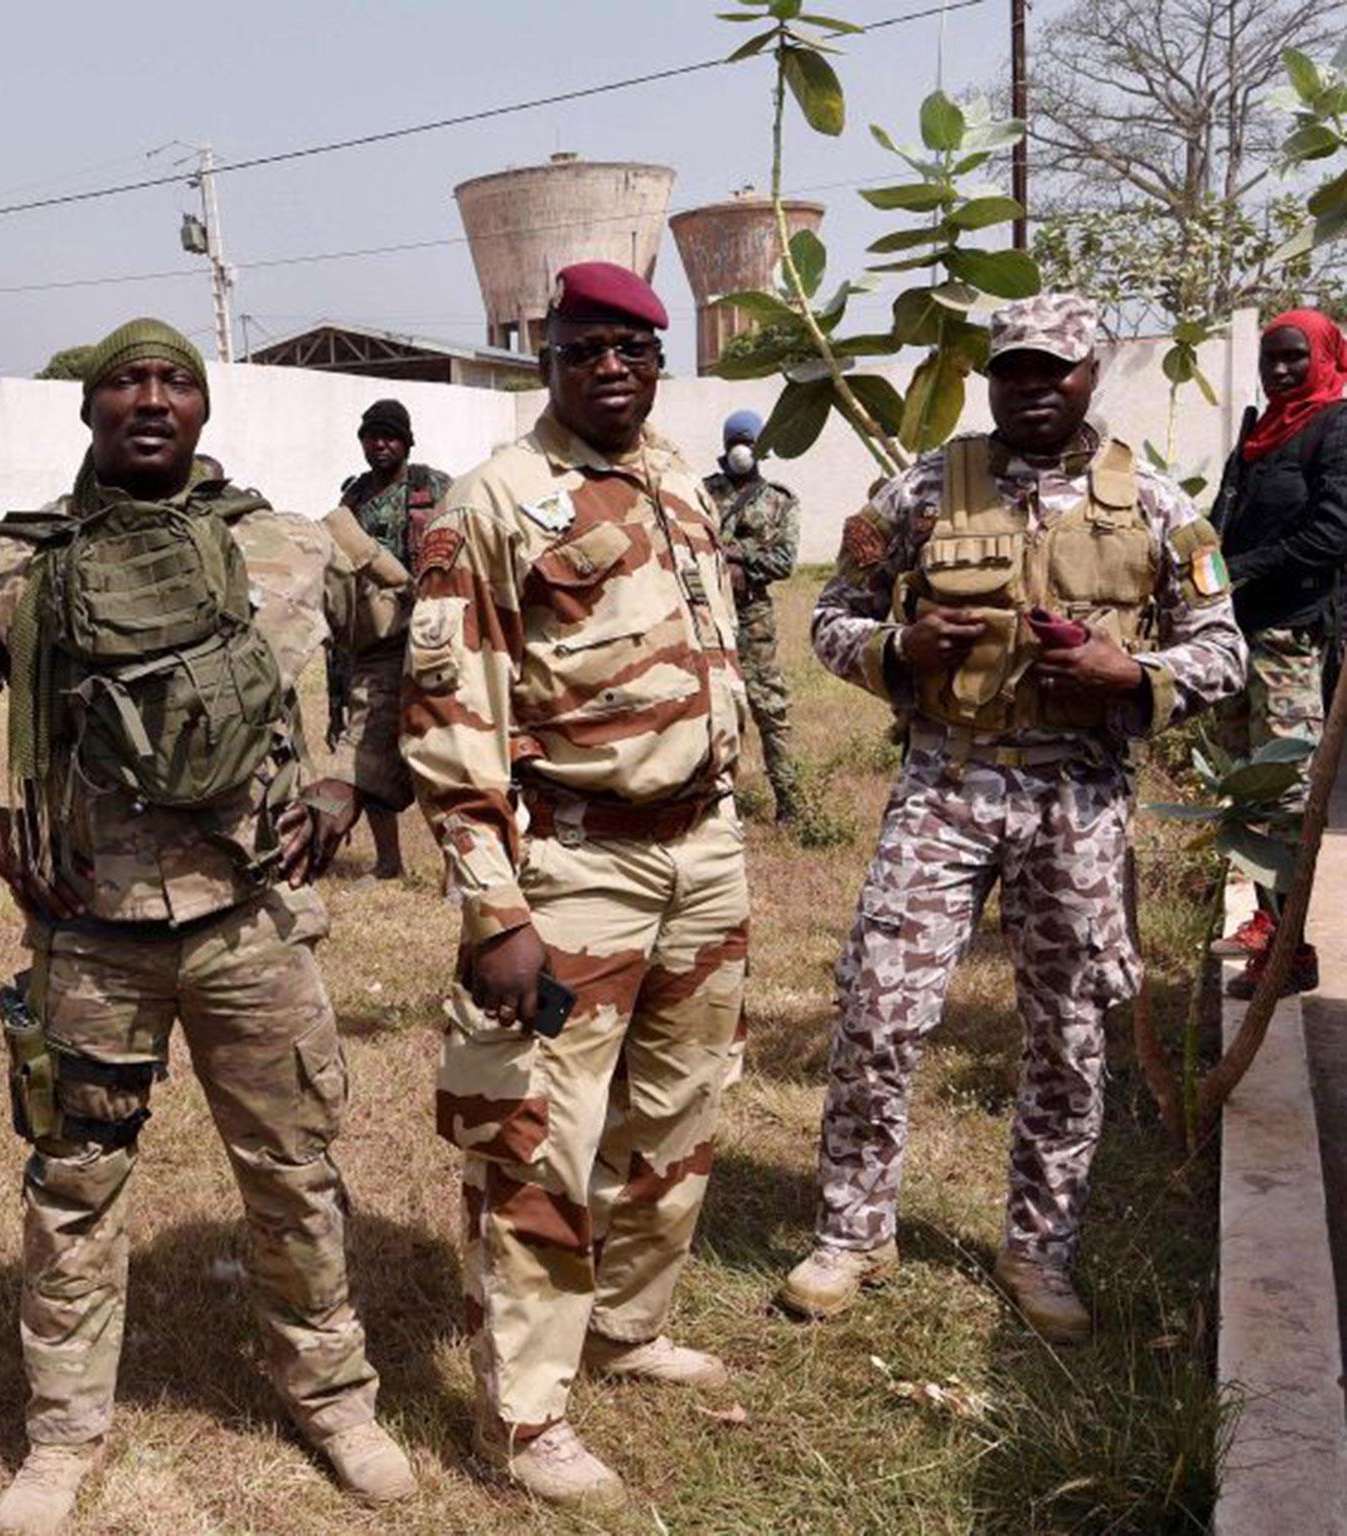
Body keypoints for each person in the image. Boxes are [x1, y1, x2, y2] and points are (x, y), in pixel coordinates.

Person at [0, 318, 416, 1536]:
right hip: (88, 935)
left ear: (202, 409)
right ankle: (61, 1435)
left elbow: (402, 647)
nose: (149, 400)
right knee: (74, 1183)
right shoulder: (10, 565)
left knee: (293, 1171)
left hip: (254, 924)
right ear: (88, 409)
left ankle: (333, 1399)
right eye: (123, 382)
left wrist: (347, 782)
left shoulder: (296, 541)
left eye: (173, 382)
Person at [779, 294, 1246, 1345]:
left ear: (1090, 376)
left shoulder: (1157, 509)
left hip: (1074, 799)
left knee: (1068, 1037)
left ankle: (1038, 1250)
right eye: (1013, 370)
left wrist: (1128, 670)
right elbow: (829, 615)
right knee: (877, 1011)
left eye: (1056, 369)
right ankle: (854, 1234)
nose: (1033, 387)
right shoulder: (919, 492)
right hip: (944, 783)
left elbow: (1224, 650)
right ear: (990, 379)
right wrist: (897, 651)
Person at [400, 262, 750, 1509]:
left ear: (659, 363)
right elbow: (450, 723)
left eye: (633, 349)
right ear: (544, 359)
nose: (611, 367)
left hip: (700, 852)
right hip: (574, 861)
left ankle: (627, 1325)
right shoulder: (490, 505)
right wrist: (495, 910)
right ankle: (531, 1408)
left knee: (677, 1108)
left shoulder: (674, 478)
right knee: (540, 1133)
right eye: (585, 348)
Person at [1207, 308, 1347, 996]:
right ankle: (1266, 921)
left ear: (1324, 356)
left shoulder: (1336, 427)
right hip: (1235, 637)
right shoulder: (1258, 436)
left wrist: (1245, 567)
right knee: (1244, 790)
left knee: (1286, 796)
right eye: (1271, 359)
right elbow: (1221, 524)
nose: (1282, 370)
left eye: (1295, 357)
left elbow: (1331, 533)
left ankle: (1293, 951)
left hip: (1291, 636)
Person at [329, 398, 451, 879]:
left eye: (390, 435)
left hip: (431, 635)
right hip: (375, 643)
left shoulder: (435, 487)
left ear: (407, 441)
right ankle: (388, 862)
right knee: (367, 752)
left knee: (440, 752)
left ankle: (454, 868)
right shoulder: (352, 500)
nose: (380, 444)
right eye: (372, 435)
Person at [705, 409, 802, 821]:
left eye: (748, 441)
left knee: (768, 706)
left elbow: (784, 560)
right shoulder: (700, 492)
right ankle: (712, 804)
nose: (741, 449)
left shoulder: (779, 499)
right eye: (735, 441)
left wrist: (735, 559)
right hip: (705, 612)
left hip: (753, 617)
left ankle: (791, 804)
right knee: (709, 707)